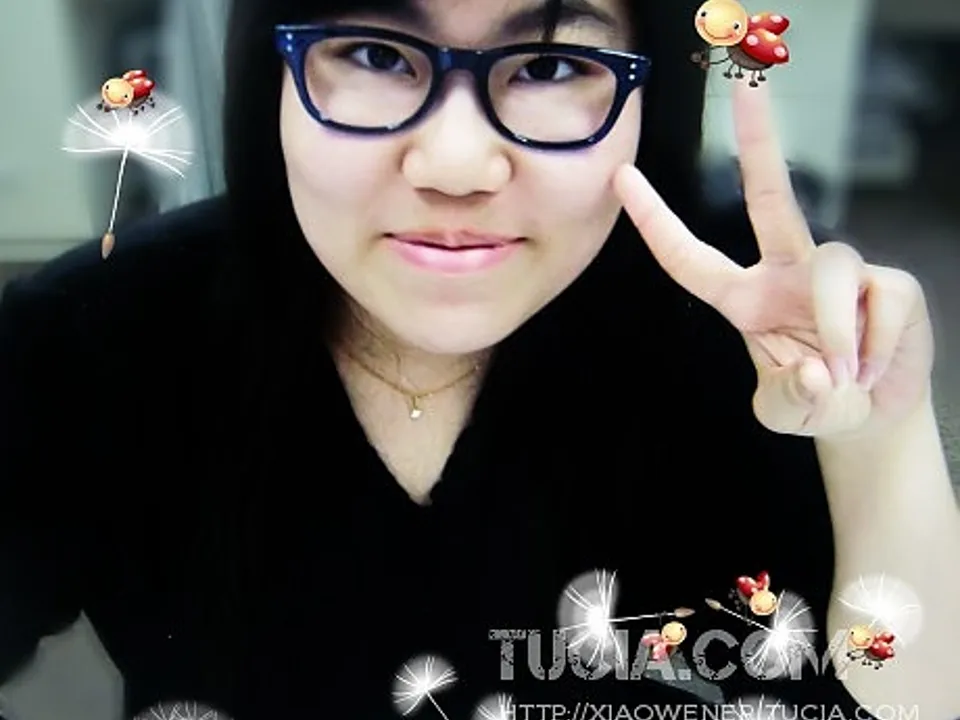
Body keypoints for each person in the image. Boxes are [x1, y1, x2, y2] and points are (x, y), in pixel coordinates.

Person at [0, 0, 957, 718]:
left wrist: (879, 436)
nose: (456, 165)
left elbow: (914, 697)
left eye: (548, 65)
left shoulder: (770, 338)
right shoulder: (96, 339)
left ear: (650, 94)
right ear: (272, 80)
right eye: (375, 54)